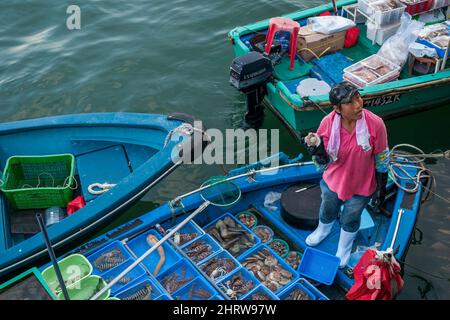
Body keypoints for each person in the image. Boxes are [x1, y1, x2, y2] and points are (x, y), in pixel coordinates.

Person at [302, 81, 390, 268]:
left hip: (361, 185)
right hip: (333, 181)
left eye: (358, 97)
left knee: (351, 217)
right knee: (328, 209)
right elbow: (322, 161)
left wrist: (380, 189)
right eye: (350, 102)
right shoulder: (327, 123)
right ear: (337, 109)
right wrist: (316, 150)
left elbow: (382, 158)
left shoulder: (376, 124)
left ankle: (344, 247)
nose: (358, 104)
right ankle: (322, 230)